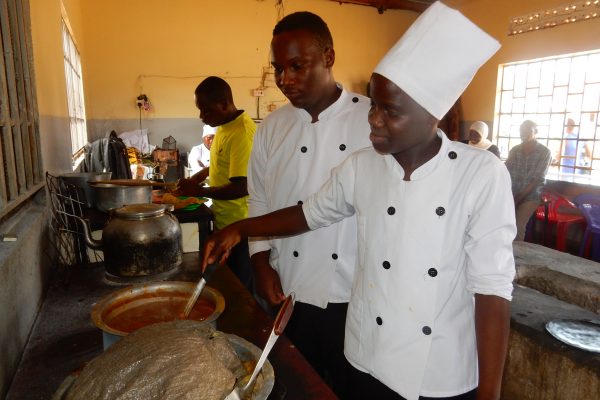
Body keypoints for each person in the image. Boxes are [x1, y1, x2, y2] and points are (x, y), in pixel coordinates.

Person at [202, 3, 516, 400]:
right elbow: (307, 214)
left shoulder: (479, 175)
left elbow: (491, 288)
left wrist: (490, 392)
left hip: (438, 370)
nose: (374, 120)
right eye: (375, 104)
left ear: (433, 115)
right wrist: (241, 232)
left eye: (390, 110)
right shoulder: (362, 166)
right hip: (366, 353)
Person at [246, 11, 371, 398]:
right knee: (298, 387)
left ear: (328, 57)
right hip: (289, 289)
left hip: (353, 296)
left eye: (297, 66)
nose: (285, 79)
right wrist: (260, 260)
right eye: (278, 68)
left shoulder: (371, 120)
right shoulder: (272, 127)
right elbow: (260, 199)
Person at [176, 76, 256, 289]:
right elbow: (222, 162)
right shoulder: (224, 125)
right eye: (200, 110)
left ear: (224, 104)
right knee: (226, 282)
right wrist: (199, 176)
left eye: (206, 111)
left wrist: (200, 191)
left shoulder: (242, 133)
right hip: (225, 220)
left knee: (242, 287)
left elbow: (241, 187)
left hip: (241, 227)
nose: (202, 117)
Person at [505, 120, 551, 242]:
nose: (523, 133)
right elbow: (505, 171)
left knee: (517, 226)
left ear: (536, 132)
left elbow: (536, 180)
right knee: (501, 223)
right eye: (521, 130)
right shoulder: (515, 150)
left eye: (527, 130)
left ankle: (517, 258)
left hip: (531, 196)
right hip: (512, 193)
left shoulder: (544, 152)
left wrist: (517, 199)